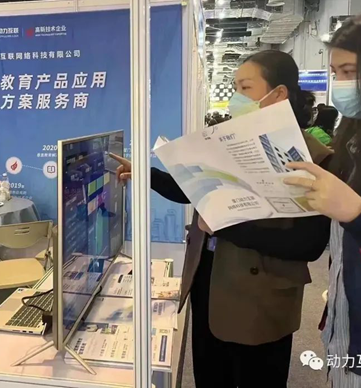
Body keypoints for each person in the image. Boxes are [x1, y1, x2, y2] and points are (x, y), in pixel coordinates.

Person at [112, 50, 332, 387]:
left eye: (246, 88)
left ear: (279, 94)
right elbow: (195, 189)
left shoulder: (314, 158)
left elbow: (309, 244)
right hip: (210, 280)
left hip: (261, 297)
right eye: (235, 87)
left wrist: (229, 226)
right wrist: (147, 174)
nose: (236, 98)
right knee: (210, 374)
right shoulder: (229, 139)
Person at [285, 9, 361, 387]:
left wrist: (359, 215)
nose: (340, 85)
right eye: (335, 73)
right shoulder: (355, 144)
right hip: (349, 337)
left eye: (350, 72)